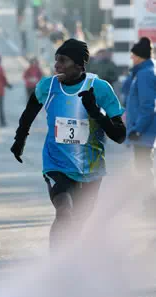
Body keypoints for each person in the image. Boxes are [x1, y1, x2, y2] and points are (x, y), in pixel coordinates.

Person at [10, 39, 126, 249]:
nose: (57, 66)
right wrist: (20, 140)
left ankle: (69, 262)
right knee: (64, 211)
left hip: (91, 169)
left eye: (63, 61)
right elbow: (28, 114)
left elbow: (119, 135)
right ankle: (54, 264)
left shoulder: (100, 89)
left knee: (79, 221)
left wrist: (96, 111)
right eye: (56, 60)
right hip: (56, 164)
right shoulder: (48, 86)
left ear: (80, 65)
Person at [124, 37, 156, 213]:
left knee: (143, 165)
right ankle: (149, 202)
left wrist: (137, 129)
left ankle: (151, 203)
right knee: (143, 165)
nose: (132, 58)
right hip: (144, 129)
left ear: (140, 56)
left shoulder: (145, 74)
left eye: (133, 55)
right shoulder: (144, 71)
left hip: (144, 130)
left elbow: (147, 105)